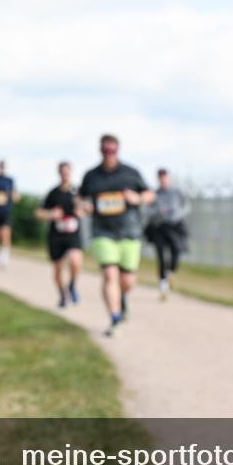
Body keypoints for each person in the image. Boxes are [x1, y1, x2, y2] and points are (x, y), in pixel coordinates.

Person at [78, 134, 154, 336]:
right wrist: (84, 206)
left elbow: (149, 194)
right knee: (109, 274)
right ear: (100, 150)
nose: (108, 154)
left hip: (129, 232)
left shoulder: (131, 173)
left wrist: (137, 198)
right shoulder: (91, 176)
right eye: (105, 150)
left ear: (118, 150)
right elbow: (80, 199)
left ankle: (122, 298)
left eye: (112, 150)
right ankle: (114, 317)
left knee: (127, 280)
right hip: (103, 232)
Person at [36, 161, 84, 308]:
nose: (65, 174)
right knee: (58, 268)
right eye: (62, 172)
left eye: (67, 171)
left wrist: (81, 211)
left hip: (72, 233)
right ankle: (63, 295)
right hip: (56, 234)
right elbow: (38, 212)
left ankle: (72, 285)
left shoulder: (77, 192)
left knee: (75, 261)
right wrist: (51, 214)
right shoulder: (53, 193)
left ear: (71, 172)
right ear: (59, 173)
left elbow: (87, 208)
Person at [144, 168, 191, 300]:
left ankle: (170, 273)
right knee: (161, 256)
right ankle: (163, 286)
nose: (163, 180)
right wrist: (158, 212)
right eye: (161, 178)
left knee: (176, 251)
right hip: (159, 227)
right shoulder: (154, 194)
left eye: (165, 178)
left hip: (174, 226)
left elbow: (186, 206)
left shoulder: (177, 192)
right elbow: (146, 210)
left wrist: (177, 214)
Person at [0, 159, 19, 269]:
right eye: (0, 166)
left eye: (3, 167)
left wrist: (15, 197)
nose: (2, 168)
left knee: (6, 233)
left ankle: (4, 257)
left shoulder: (10, 180)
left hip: (6, 210)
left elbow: (15, 194)